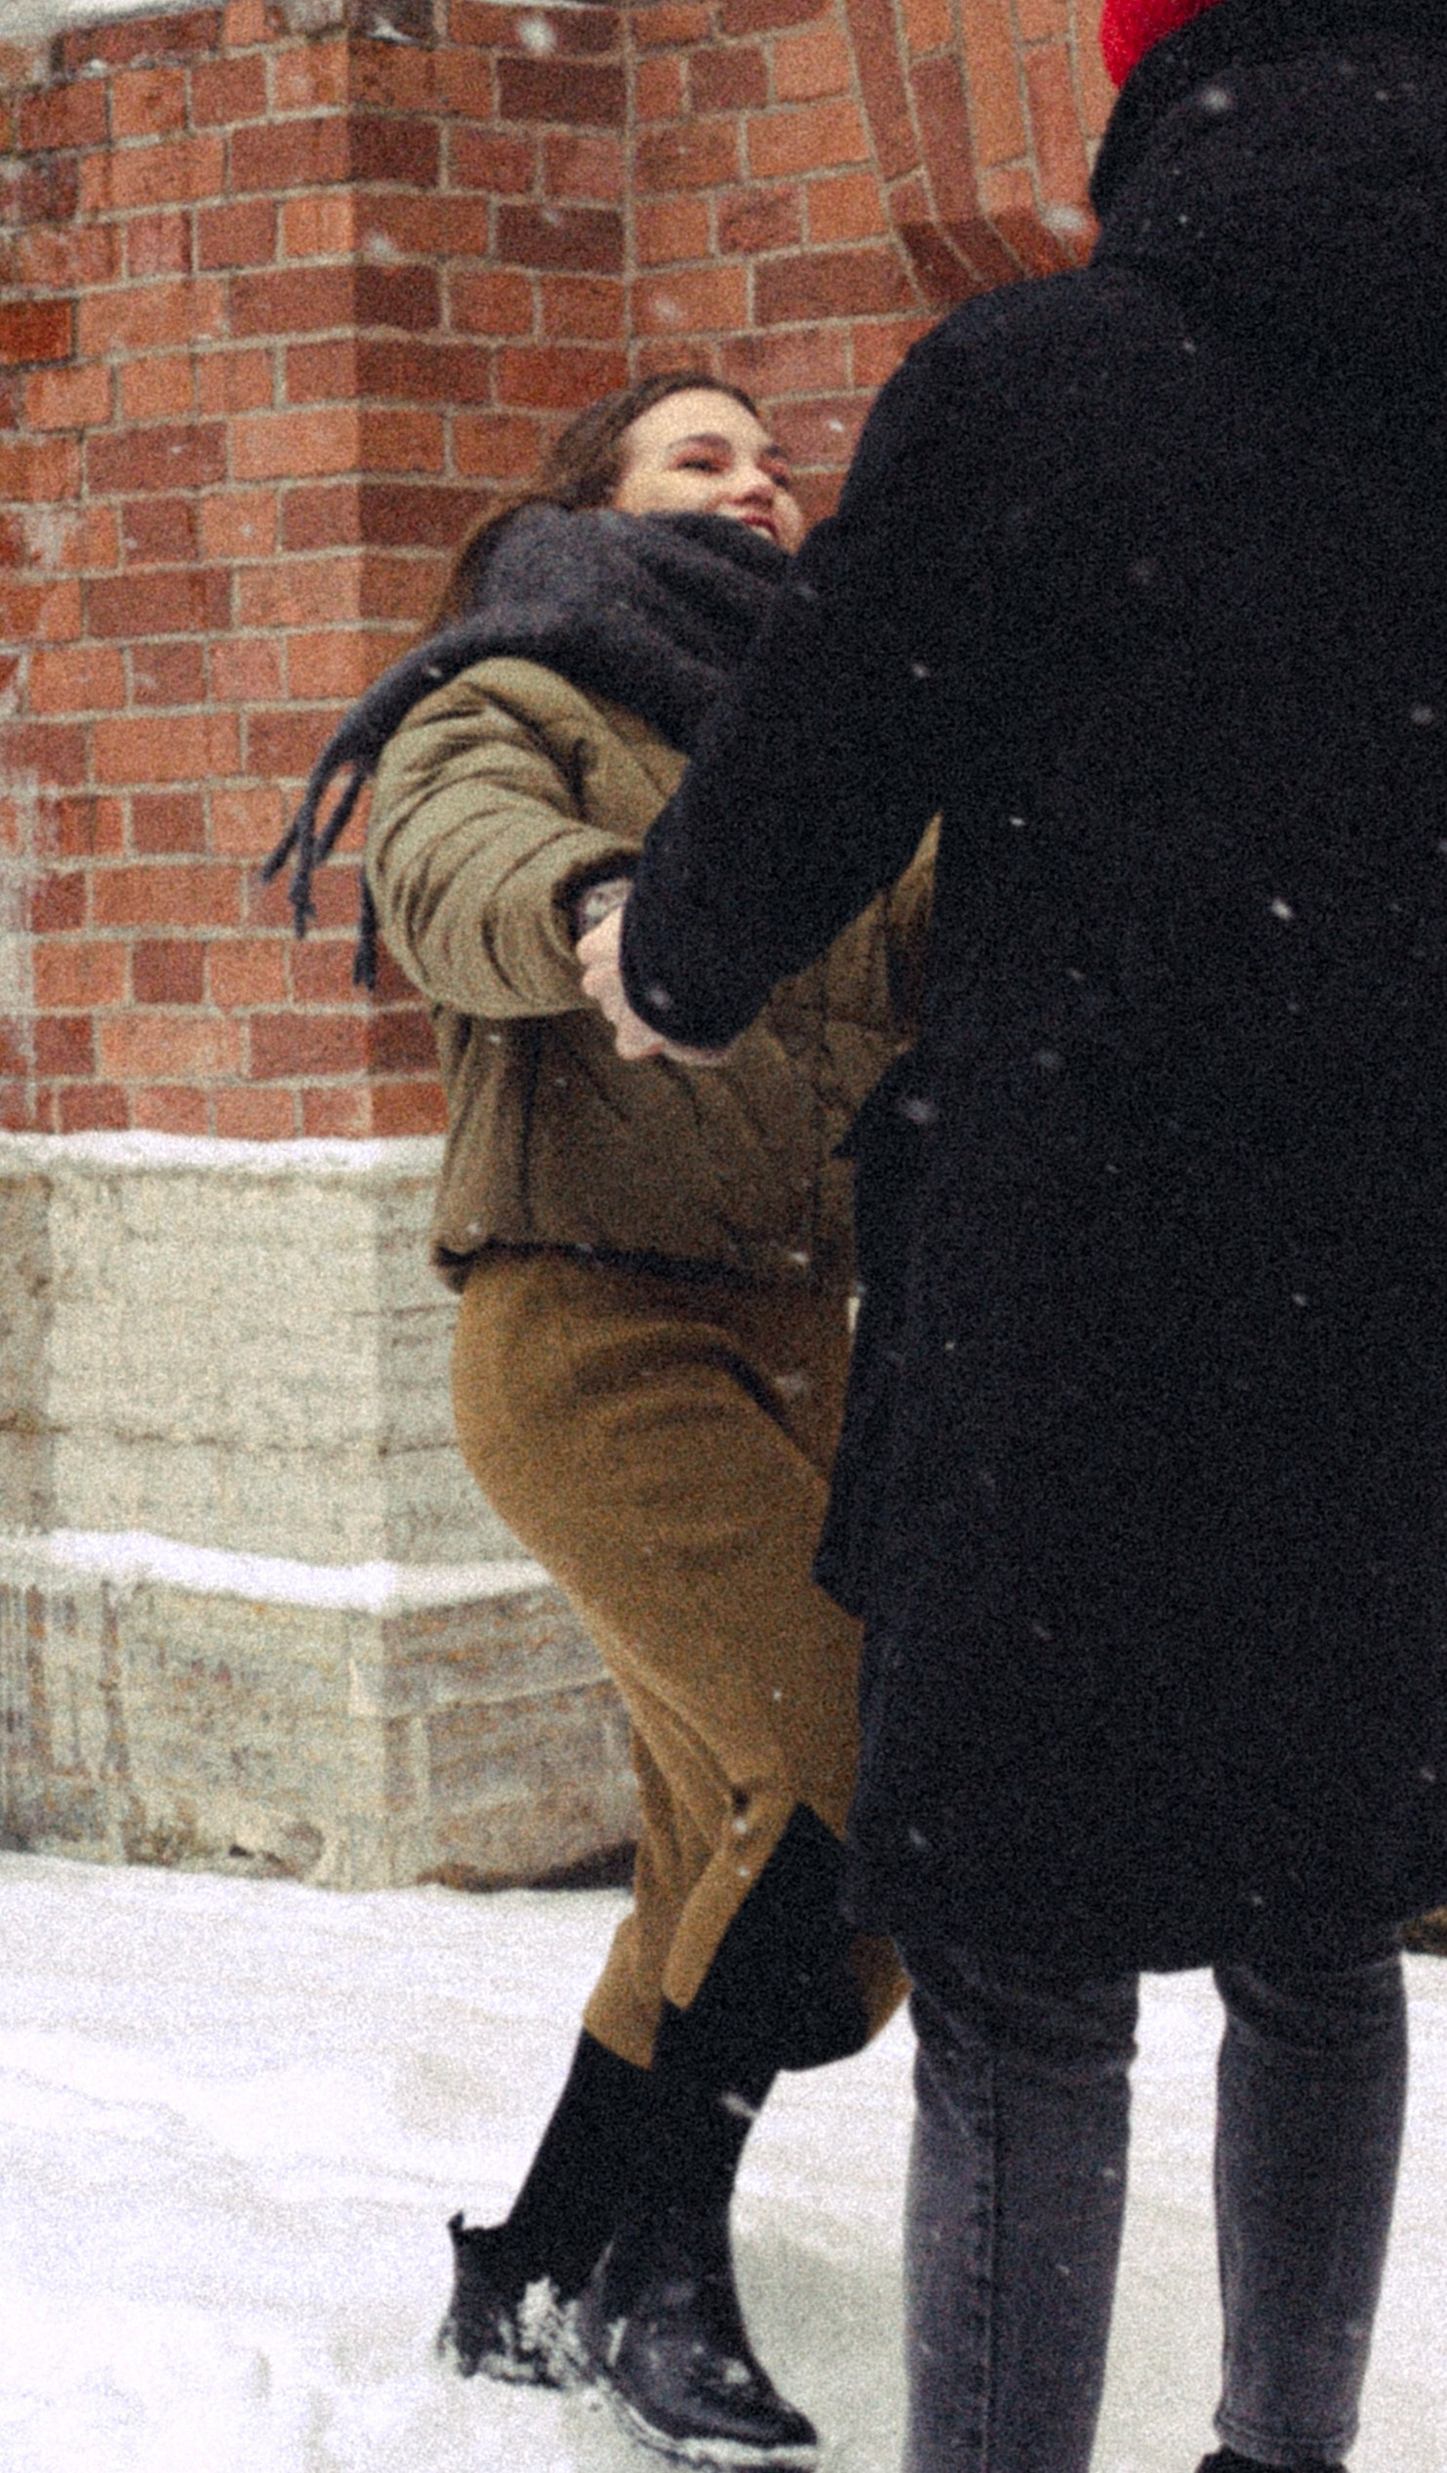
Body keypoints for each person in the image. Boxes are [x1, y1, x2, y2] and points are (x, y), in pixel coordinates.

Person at [580, 0, 1447, 2473]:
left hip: (1094, 1279)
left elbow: (811, 763)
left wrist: (664, 957)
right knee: (1318, 1914)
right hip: (1407, 1285)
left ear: (1159, 64)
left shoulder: (1042, 384)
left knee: (1025, 1963)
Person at [266, 374, 933, 2470]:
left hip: (807, 1348)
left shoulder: (835, 748)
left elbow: (935, 954)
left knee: (726, 1844)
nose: (758, 485)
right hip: (593, 1340)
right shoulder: (516, 687)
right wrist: (597, 916)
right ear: (598, 505)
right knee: (862, 1762)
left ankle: (540, 2260)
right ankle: (662, 2268)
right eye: (701, 459)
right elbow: (448, 862)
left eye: (769, 460)